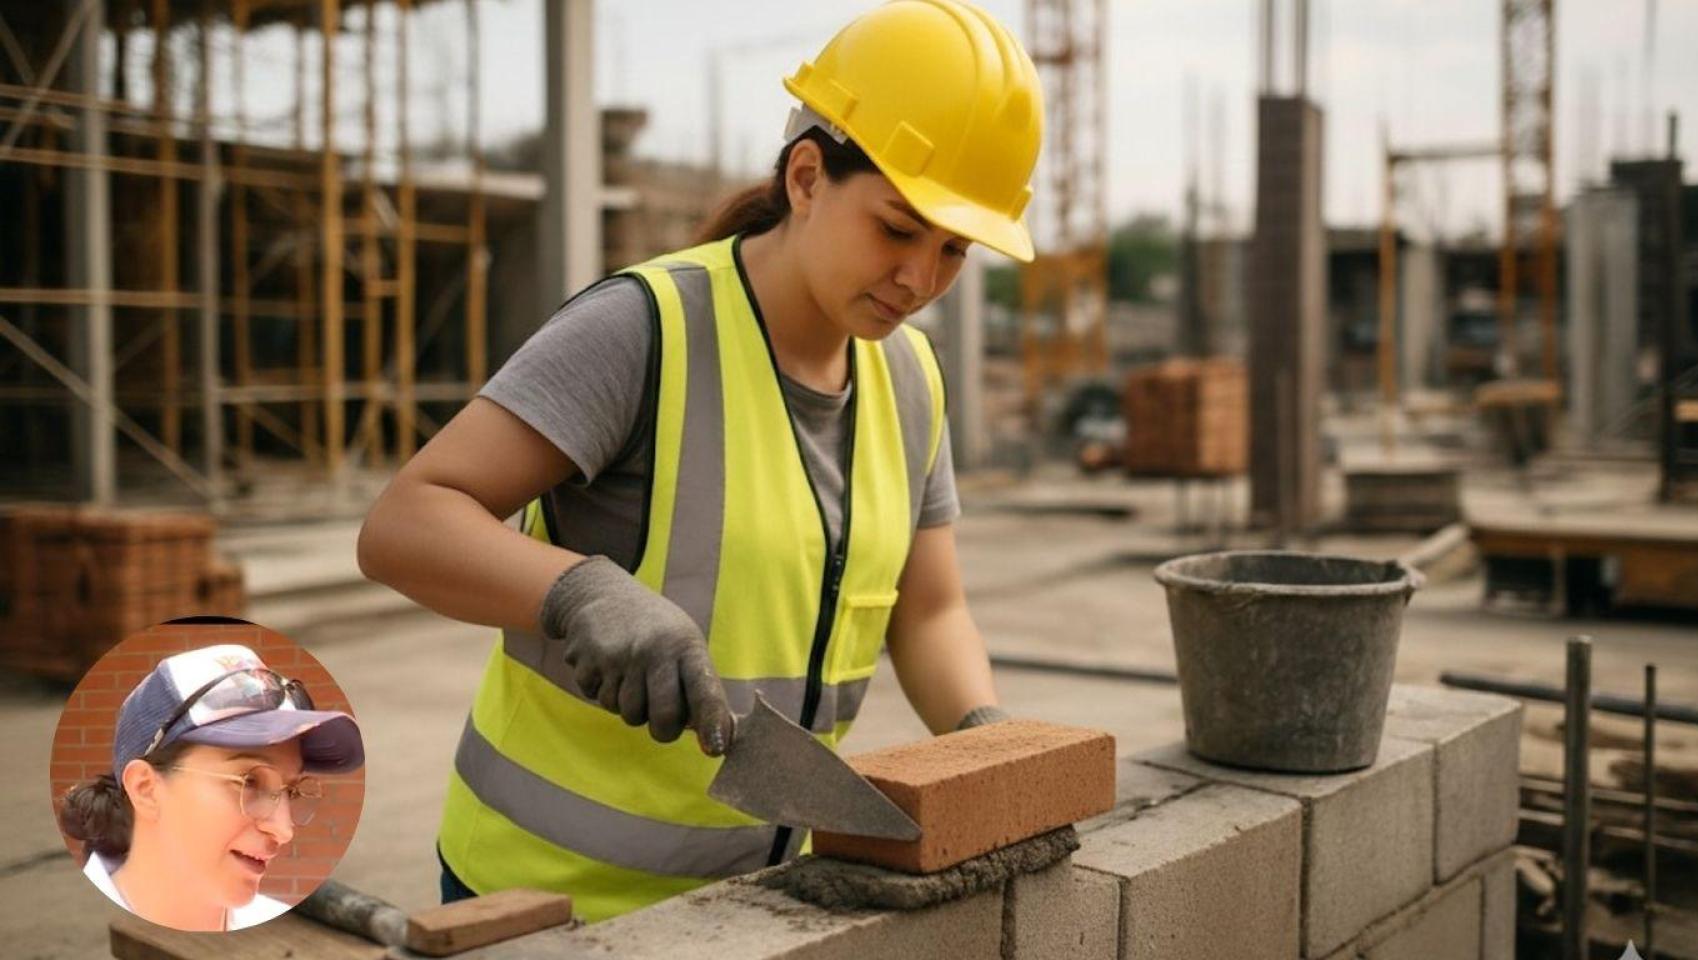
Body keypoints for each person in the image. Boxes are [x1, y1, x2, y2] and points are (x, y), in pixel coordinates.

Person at [356, 0, 1043, 923]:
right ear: (807, 178)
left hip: (751, 909)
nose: (920, 279)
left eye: (954, 249)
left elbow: (929, 612)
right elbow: (405, 523)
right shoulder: (645, 330)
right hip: (537, 904)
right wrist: (579, 591)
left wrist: (982, 739)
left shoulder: (912, 377)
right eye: (896, 229)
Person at [56, 644, 365, 932]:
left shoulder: (282, 931)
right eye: (249, 782)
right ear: (145, 789)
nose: (284, 830)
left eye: (292, 791)